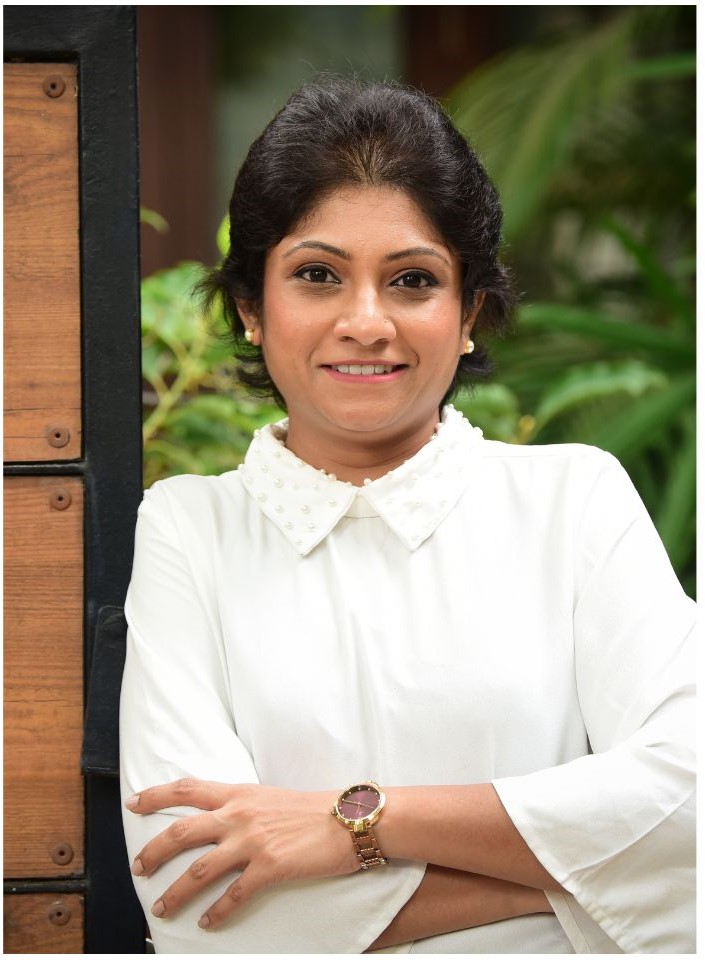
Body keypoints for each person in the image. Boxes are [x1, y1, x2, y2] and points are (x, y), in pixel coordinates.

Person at [119, 78, 695, 954]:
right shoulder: (190, 530)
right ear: (249, 308)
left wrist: (356, 824)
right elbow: (198, 904)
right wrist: (575, 878)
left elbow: (688, 808)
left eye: (412, 281)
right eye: (317, 275)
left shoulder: (574, 501)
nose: (365, 322)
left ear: (468, 313)